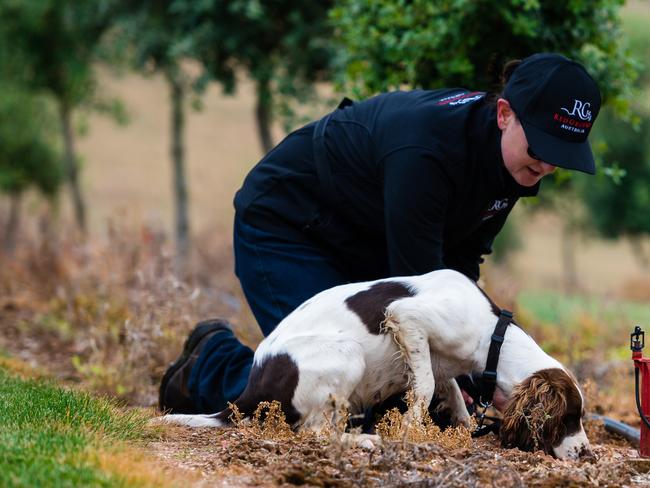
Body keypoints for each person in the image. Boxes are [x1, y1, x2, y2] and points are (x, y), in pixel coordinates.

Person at [159, 52, 601, 416]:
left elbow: (459, 267)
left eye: (561, 155)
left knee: (387, 400)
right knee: (319, 391)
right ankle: (208, 363)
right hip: (287, 225)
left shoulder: (510, 165)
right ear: (505, 114)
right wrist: (467, 376)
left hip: (365, 239)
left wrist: (474, 376)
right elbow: (420, 284)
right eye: (541, 148)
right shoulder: (427, 152)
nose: (546, 166)